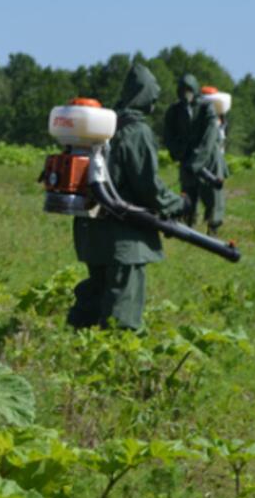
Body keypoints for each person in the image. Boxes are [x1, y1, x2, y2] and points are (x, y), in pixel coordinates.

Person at [68, 64, 189, 331]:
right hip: (123, 235)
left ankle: (76, 338)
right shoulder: (137, 131)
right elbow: (149, 186)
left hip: (91, 229)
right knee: (123, 304)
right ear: (146, 97)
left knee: (99, 287)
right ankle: (118, 360)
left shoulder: (105, 127)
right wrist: (178, 203)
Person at [163, 74, 224, 233]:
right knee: (188, 191)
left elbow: (210, 137)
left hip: (209, 158)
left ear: (195, 89)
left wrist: (197, 161)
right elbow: (168, 135)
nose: (185, 93)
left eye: (189, 89)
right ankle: (187, 224)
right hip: (187, 157)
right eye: (182, 89)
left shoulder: (206, 108)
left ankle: (213, 227)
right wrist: (178, 152)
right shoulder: (175, 110)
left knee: (212, 195)